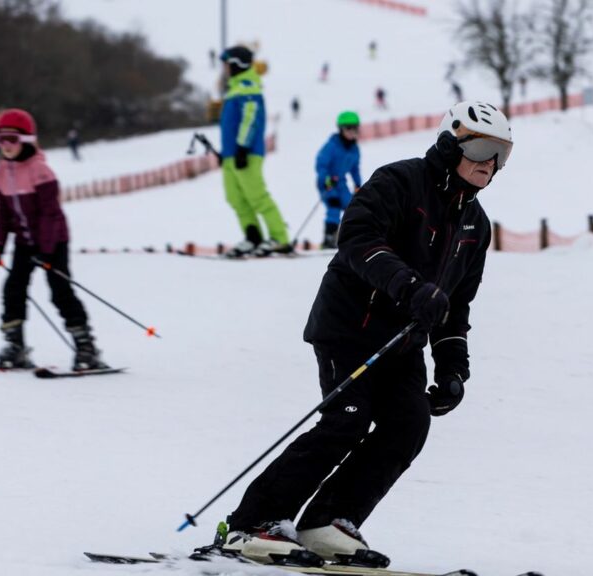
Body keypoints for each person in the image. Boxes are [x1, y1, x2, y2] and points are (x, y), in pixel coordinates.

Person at [219, 101, 514, 565]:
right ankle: (253, 523)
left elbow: (455, 307)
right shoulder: (399, 181)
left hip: (402, 343)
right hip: (350, 327)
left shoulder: (476, 225)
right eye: (480, 148)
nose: (490, 163)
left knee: (409, 424)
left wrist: (454, 367)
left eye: (502, 152)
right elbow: (358, 238)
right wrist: (411, 287)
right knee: (346, 421)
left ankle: (327, 521)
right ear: (447, 143)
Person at [0, 108, 109, 371]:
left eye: (13, 140)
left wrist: (45, 251)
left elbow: (50, 215)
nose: (6, 147)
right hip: (24, 243)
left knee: (60, 291)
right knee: (13, 289)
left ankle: (86, 348)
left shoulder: (40, 171)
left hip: (53, 242)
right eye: (1, 140)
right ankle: (15, 345)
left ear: (28, 141)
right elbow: (3, 217)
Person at [218, 45, 291, 258]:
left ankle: (279, 238)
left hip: (246, 152)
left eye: (227, 65)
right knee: (235, 197)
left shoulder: (248, 86)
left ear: (236, 65)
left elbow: (250, 118)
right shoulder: (235, 88)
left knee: (256, 196)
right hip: (232, 154)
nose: (224, 69)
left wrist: (242, 146)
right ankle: (253, 237)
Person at [314, 111, 362, 249]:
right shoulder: (332, 146)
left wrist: (358, 184)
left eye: (355, 128)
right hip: (327, 183)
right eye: (349, 128)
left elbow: (355, 169)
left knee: (351, 207)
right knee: (333, 205)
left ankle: (350, 236)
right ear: (341, 129)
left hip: (340, 183)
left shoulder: (354, 149)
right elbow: (321, 164)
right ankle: (329, 237)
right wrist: (327, 179)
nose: (352, 132)